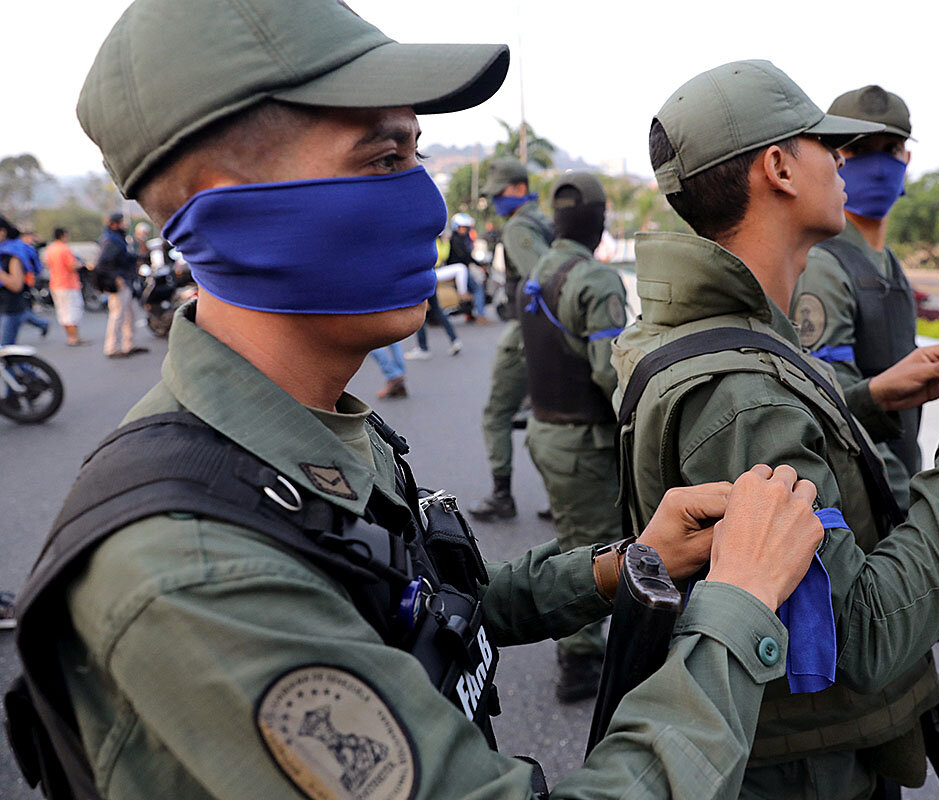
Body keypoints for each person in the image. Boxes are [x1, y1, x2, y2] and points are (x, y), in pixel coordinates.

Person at [5, 3, 838, 798]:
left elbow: (428, 616)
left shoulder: (311, 432)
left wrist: (624, 566)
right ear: (231, 208)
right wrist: (737, 610)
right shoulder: (197, 577)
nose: (430, 204)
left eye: (416, 155)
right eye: (384, 159)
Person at [616, 60, 939, 800]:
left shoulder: (734, 340)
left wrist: (869, 400)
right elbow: (866, 632)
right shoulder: (742, 388)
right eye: (825, 145)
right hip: (810, 770)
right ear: (779, 167)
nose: (843, 161)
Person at [519, 171, 627, 702]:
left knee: (571, 536)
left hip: (544, 431)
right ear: (600, 220)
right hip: (584, 441)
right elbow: (611, 375)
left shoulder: (536, 270)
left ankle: (576, 641)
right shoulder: (596, 280)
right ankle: (579, 661)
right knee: (593, 548)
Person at [789, 85, 919, 508]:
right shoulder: (824, 264)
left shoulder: (888, 263)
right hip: (867, 489)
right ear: (833, 160)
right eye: (860, 150)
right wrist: (906, 505)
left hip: (900, 469)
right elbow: (832, 404)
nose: (879, 165)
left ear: (907, 160)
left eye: (891, 148)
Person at [469, 156, 554, 521]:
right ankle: (563, 497)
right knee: (550, 414)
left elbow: (544, 279)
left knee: (497, 414)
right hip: (550, 335)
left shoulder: (519, 227)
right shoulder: (543, 219)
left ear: (518, 189)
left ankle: (502, 496)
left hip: (527, 333)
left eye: (500, 193)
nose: (497, 201)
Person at [95, 212, 147, 358]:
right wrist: (116, 278)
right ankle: (112, 348)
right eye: (122, 222)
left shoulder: (118, 239)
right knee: (117, 315)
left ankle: (128, 345)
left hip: (127, 281)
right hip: (120, 283)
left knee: (130, 314)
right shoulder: (110, 241)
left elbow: (124, 257)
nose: (125, 225)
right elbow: (103, 264)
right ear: (114, 224)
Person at [44, 227, 89, 346]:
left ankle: (70, 337)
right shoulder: (64, 249)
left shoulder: (50, 249)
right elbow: (72, 265)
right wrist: (81, 264)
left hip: (55, 284)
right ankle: (74, 338)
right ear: (63, 235)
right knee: (72, 311)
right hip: (68, 284)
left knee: (63, 312)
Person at [449, 212, 489, 322]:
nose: (464, 230)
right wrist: (480, 265)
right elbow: (466, 257)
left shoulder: (464, 239)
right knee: (478, 288)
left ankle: (469, 314)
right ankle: (481, 316)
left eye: (466, 227)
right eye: (462, 227)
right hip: (458, 270)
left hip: (463, 269)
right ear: (456, 227)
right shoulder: (456, 240)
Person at [0, 218, 30, 346]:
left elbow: (16, 285)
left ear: (2, 232)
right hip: (4, 308)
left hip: (10, 309)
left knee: (6, 352)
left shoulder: (11, 255)